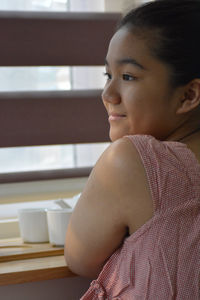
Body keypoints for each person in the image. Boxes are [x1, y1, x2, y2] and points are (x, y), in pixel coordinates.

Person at [64, 0, 200, 298]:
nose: (108, 94)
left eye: (127, 76)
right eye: (107, 75)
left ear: (189, 95)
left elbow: (79, 259)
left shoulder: (134, 160)